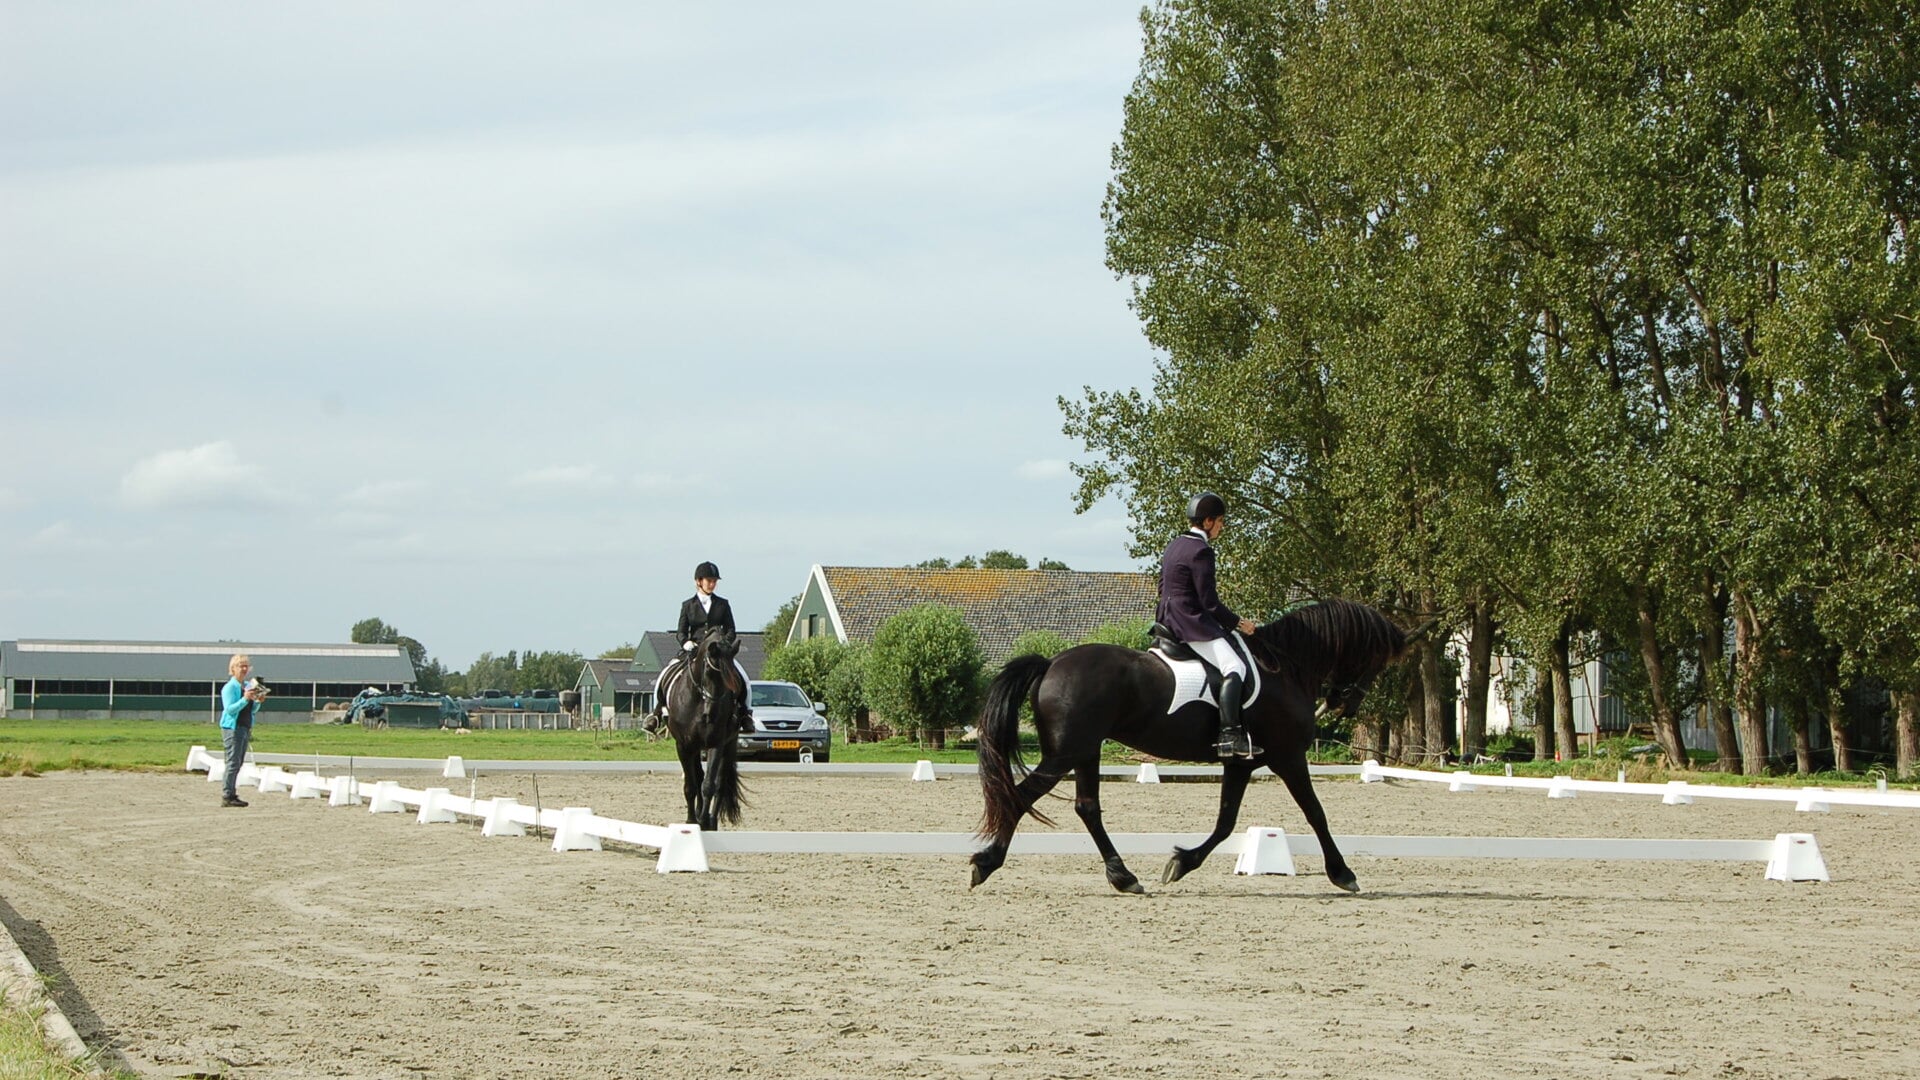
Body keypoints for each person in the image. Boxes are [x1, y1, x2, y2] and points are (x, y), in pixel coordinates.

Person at [1157, 492, 1261, 758]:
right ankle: (1229, 735)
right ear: (1207, 522)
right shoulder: (1201, 551)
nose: (1221, 527)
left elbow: (1163, 587)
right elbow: (1209, 602)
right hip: (1190, 622)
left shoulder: (1175, 544)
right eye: (1220, 522)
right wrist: (1239, 623)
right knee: (1234, 666)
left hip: (1167, 617)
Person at [650, 561, 754, 733]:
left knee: (744, 678)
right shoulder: (688, 605)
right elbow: (681, 631)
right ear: (698, 581)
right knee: (665, 674)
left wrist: (725, 645)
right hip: (694, 650)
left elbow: (731, 630)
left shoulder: (723, 604)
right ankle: (655, 714)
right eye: (709, 580)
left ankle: (745, 714)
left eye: (714, 581)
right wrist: (686, 642)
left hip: (718, 651)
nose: (712, 584)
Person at [218, 653, 267, 807]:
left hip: (244, 726)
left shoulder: (246, 686)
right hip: (232, 728)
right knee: (232, 762)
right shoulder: (230, 687)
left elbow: (251, 710)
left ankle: (231, 793)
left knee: (238, 762)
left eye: (246, 666)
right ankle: (227, 795)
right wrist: (245, 698)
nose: (244, 669)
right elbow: (230, 710)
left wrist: (257, 700)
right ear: (233, 668)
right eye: (241, 666)